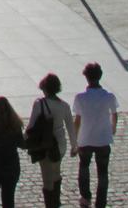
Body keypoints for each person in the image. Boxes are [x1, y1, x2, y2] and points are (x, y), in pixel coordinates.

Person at [27, 73, 76, 208]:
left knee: (47, 177)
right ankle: (56, 200)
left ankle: (51, 204)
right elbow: (71, 127)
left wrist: (25, 140)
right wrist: (74, 145)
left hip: (45, 144)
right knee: (56, 171)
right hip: (60, 145)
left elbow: (31, 126)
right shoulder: (64, 106)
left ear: (44, 88)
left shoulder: (39, 104)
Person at [73, 62, 118, 208]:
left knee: (84, 167)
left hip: (85, 138)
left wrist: (75, 140)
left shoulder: (80, 98)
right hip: (103, 138)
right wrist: (113, 128)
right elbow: (114, 114)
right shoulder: (109, 96)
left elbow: (78, 120)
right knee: (103, 172)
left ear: (86, 78)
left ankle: (85, 197)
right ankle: (101, 203)